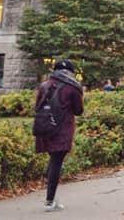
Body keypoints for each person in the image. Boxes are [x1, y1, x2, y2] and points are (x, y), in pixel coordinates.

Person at [35, 59, 84, 212]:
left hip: (44, 127)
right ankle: (49, 201)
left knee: (53, 161)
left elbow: (37, 106)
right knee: (56, 163)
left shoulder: (44, 85)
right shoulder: (73, 87)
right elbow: (78, 110)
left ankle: (53, 197)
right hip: (62, 129)